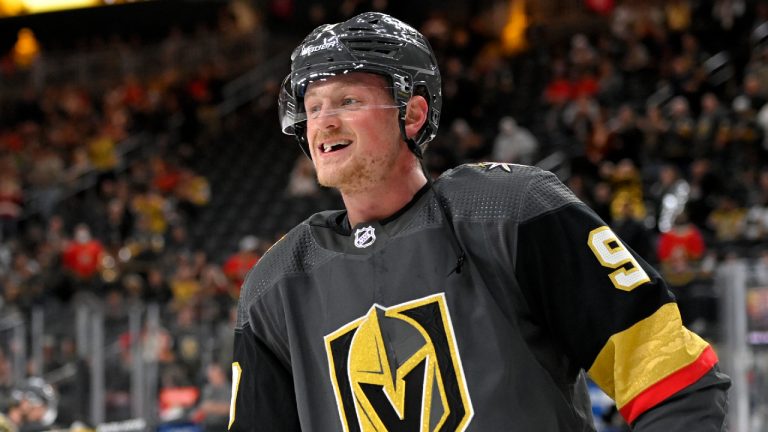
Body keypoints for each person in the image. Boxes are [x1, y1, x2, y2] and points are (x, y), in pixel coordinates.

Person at [230, 12, 730, 431]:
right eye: (312, 107)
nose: (323, 122)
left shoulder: (512, 211)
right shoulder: (274, 287)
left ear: (412, 115)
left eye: (348, 101)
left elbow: (669, 375)